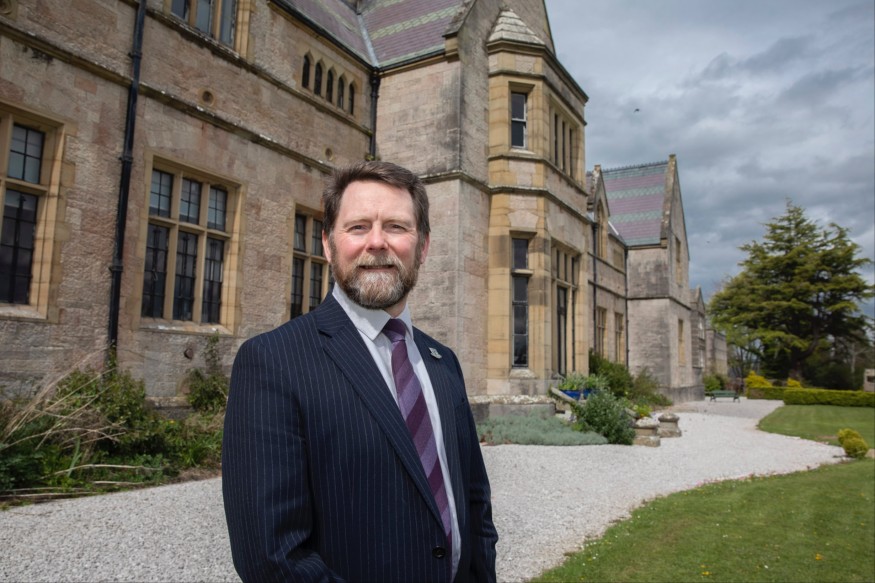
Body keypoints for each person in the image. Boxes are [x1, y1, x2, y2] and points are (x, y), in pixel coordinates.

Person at [222, 160, 498, 583]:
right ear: (328, 244)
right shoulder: (274, 361)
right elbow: (273, 558)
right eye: (358, 227)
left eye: (396, 227)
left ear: (423, 246)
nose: (377, 242)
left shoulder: (443, 362)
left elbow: (475, 506)